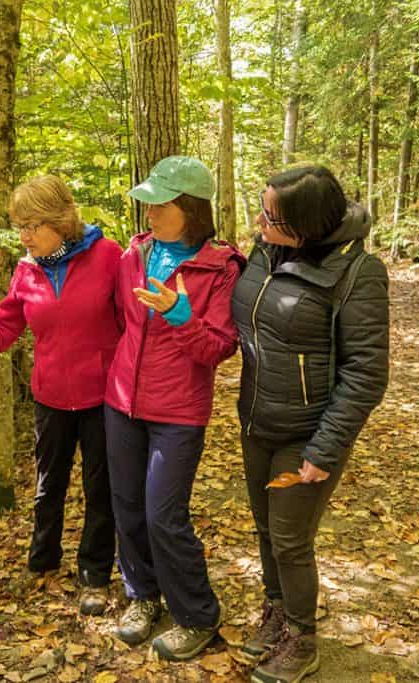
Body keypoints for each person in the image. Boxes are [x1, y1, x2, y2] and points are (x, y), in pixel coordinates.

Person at [0, 175, 121, 616]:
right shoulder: (26, 270)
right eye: (20, 226)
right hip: (51, 398)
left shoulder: (108, 256)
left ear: (60, 220)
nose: (24, 235)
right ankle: (42, 563)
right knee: (47, 487)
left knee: (102, 490)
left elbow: (133, 322)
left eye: (33, 225)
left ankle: (95, 575)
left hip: (102, 398)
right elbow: (2, 333)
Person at [231, 165, 390, 682]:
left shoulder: (356, 273)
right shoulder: (265, 249)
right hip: (257, 419)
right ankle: (275, 616)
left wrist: (325, 449)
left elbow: (366, 373)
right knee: (264, 528)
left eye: (271, 217)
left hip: (307, 434)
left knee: (290, 538)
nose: (258, 221)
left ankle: (301, 638)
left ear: (306, 224)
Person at [104, 156, 245, 661]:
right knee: (129, 508)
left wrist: (180, 316)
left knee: (164, 515)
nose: (149, 214)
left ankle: (198, 616)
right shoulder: (134, 254)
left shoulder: (222, 267)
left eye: (160, 205)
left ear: (190, 209)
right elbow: (121, 322)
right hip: (121, 402)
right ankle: (142, 596)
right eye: (147, 204)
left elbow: (219, 349)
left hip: (178, 410)